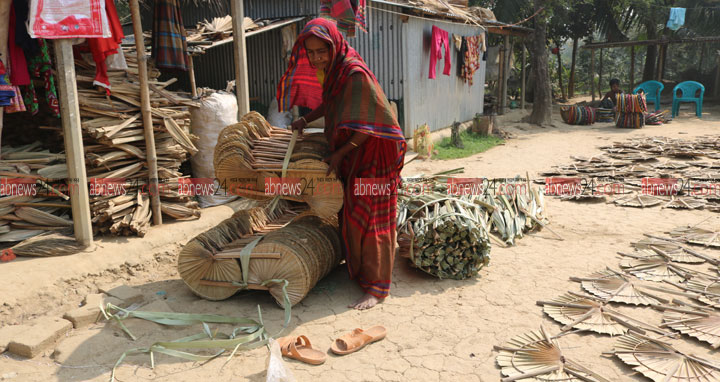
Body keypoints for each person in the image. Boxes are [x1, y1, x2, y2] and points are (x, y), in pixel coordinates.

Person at [277, 18, 406, 310]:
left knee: (372, 217)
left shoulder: (354, 74)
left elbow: (368, 127)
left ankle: (377, 288)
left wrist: (339, 154)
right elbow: (332, 104)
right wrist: (304, 119)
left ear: (334, 44)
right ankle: (362, 272)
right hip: (356, 152)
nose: (316, 57)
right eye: (311, 52)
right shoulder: (335, 72)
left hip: (374, 155)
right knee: (351, 210)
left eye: (321, 50)